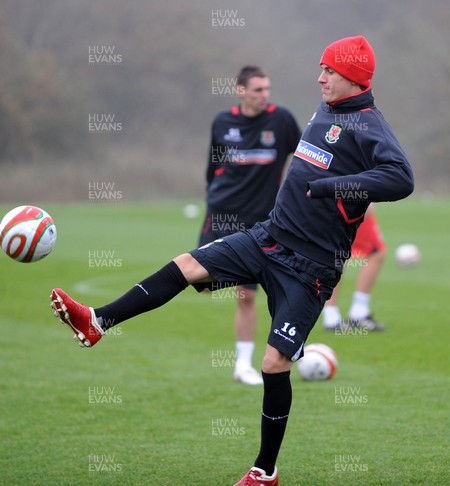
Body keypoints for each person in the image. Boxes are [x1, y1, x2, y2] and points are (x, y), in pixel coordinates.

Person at [50, 35, 413, 485]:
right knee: (187, 265)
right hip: (270, 236)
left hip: (311, 268)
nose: (320, 77)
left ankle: (265, 471)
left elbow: (401, 178)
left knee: (275, 365)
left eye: (329, 71)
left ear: (352, 77)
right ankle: (97, 321)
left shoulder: (366, 122)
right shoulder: (326, 109)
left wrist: (332, 187)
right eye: (321, 68)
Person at [200, 65, 301, 385]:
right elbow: (212, 167)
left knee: (247, 294)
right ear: (240, 90)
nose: (264, 95)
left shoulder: (281, 120)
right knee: (200, 282)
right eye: (257, 89)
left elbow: (304, 159)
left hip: (261, 221)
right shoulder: (222, 121)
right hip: (222, 214)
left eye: (267, 89)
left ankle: (243, 364)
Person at [323, 203, 388, 331]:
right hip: (349, 205)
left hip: (332, 203)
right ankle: (357, 312)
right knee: (376, 251)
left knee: (337, 255)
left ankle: (331, 315)